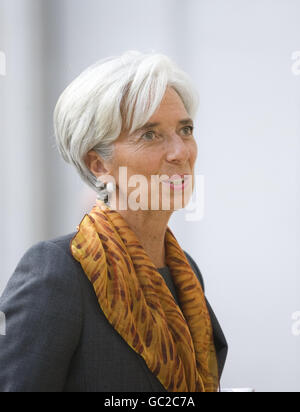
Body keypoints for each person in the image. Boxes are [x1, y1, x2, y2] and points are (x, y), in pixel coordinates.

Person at [0, 51, 228, 392]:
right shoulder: (56, 270)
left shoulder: (185, 270)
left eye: (186, 129)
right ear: (98, 165)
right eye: (150, 134)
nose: (180, 151)